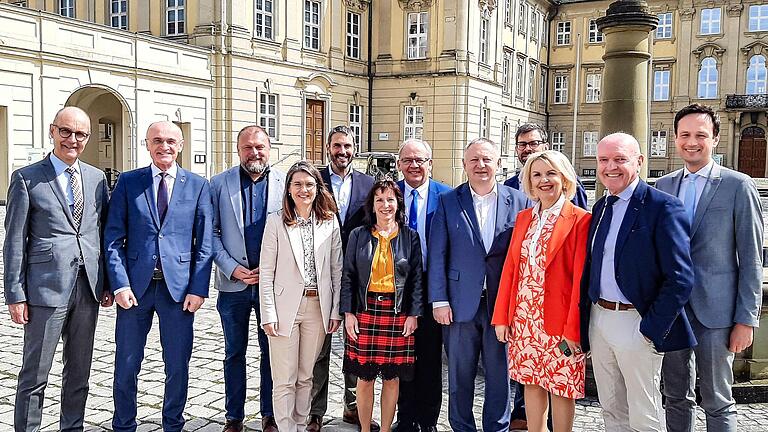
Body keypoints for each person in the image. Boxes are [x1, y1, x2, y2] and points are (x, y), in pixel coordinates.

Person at [4, 106, 112, 432]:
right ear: (52, 131)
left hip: (88, 288)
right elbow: (13, 242)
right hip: (44, 289)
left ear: (87, 138)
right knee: (34, 375)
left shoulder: (96, 179)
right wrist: (15, 294)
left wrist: (106, 282)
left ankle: (72, 428)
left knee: (79, 372)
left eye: (80, 134)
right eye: (65, 131)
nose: (72, 140)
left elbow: (100, 233)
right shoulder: (26, 178)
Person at [657, 104, 764, 432]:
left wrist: (746, 318)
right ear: (676, 139)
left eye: (700, 135)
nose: (692, 142)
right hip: (673, 312)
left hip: (718, 314)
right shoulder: (662, 186)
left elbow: (751, 259)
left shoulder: (738, 185)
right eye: (685, 135)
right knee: (675, 396)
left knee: (718, 399)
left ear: (715, 139)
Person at [579, 132, 696, 431]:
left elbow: (680, 277)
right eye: (604, 160)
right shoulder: (601, 206)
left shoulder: (662, 206)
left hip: (636, 321)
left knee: (644, 414)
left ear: (639, 162)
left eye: (620, 159)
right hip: (600, 319)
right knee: (611, 409)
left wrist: (649, 330)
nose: (610, 167)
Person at [104, 121, 214, 432]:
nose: (163, 146)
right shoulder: (128, 182)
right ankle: (123, 425)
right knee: (126, 364)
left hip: (177, 291)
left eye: (170, 141)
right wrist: (120, 283)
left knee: (177, 365)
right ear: (147, 144)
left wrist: (198, 289)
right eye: (156, 140)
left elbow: (204, 244)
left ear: (180, 145)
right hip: (134, 289)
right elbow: (112, 238)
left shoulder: (197, 186)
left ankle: (173, 425)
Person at [428, 138, 529, 432]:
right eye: (474, 160)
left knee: (501, 375)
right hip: (459, 304)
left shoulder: (520, 201)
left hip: (501, 304)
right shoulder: (448, 201)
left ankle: (497, 427)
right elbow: (438, 253)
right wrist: (439, 300)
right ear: (464, 165)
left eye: (486, 159)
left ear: (499, 163)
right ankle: (462, 427)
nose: (480, 165)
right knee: (460, 376)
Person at [492, 150, 591, 432]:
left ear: (564, 178)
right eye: (537, 175)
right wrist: (502, 317)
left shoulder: (580, 219)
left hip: (560, 323)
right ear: (529, 181)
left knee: (561, 387)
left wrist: (574, 330)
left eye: (551, 174)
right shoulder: (524, 218)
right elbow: (511, 270)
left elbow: (579, 280)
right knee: (531, 383)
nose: (544, 180)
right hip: (524, 319)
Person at [259, 161, 343, 432]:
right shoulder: (276, 221)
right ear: (289, 189)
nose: (303, 190)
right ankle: (286, 428)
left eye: (309, 184)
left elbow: (336, 269)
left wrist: (334, 311)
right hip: (285, 308)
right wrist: (268, 313)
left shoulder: (329, 222)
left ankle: (299, 424)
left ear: (318, 188)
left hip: (318, 308)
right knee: (284, 378)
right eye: (297, 184)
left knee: (306, 377)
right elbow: (266, 273)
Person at [210, 125, 284, 432]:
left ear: (269, 148)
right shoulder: (218, 184)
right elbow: (210, 233)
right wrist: (230, 267)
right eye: (248, 147)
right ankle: (234, 417)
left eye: (260, 147)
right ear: (238, 150)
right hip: (234, 284)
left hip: (272, 285)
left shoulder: (285, 183)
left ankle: (270, 415)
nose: (255, 152)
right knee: (234, 352)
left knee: (272, 353)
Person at [341, 180, 425, 432]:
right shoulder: (358, 235)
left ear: (398, 203)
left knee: (392, 378)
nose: (385, 205)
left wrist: (414, 314)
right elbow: (348, 275)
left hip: (397, 313)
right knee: (364, 379)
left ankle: (386, 429)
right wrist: (348, 313)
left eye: (390, 199)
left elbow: (417, 279)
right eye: (380, 199)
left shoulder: (410, 237)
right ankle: (366, 429)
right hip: (365, 312)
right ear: (372, 205)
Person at [309, 126, 375, 432]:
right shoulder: (315, 179)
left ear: (355, 148)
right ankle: (315, 411)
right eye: (337, 145)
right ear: (328, 148)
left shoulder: (368, 183)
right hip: (321, 273)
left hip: (357, 278)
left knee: (355, 345)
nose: (342, 151)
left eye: (347, 145)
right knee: (319, 347)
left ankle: (352, 408)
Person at [392, 139, 451, 432]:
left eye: (420, 160)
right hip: (397, 286)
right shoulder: (389, 195)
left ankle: (427, 420)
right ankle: (404, 417)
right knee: (402, 353)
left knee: (429, 354)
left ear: (430, 163)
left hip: (433, 283)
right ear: (399, 164)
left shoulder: (447, 196)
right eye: (408, 160)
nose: (414, 165)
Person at [504, 123, 588, 210]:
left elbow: (580, 219)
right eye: (522, 144)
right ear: (516, 149)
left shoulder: (568, 181)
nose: (527, 149)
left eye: (534, 143)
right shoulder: (509, 185)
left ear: (546, 147)